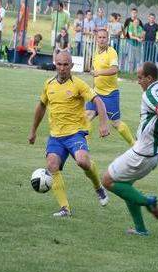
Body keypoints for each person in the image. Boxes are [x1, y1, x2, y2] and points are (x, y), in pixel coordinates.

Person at [102, 62, 158, 236]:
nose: (138, 81)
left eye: (140, 78)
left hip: (143, 153)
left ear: (149, 78)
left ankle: (148, 202)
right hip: (156, 152)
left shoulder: (149, 94)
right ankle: (140, 229)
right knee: (126, 185)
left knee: (107, 180)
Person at [28, 51, 110, 217]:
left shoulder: (78, 84)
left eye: (66, 65)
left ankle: (98, 187)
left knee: (83, 162)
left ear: (71, 66)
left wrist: (103, 123)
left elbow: (98, 101)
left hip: (75, 134)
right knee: (52, 165)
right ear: (55, 64)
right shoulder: (48, 84)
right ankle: (65, 208)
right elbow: (41, 107)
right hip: (56, 137)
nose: (62, 68)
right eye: (59, 64)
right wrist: (33, 131)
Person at [85, 29, 134, 146]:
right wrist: (93, 88)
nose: (101, 40)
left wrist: (99, 72)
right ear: (96, 39)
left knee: (116, 123)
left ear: (108, 39)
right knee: (87, 116)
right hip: (96, 93)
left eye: (104, 38)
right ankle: (83, 147)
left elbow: (114, 69)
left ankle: (133, 144)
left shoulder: (111, 52)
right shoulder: (96, 53)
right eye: (99, 37)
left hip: (110, 94)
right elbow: (95, 75)